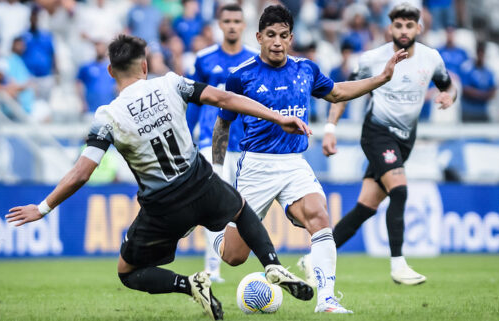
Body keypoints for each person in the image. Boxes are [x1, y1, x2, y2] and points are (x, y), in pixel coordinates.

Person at [5, 34, 313, 320]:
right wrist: (277, 116)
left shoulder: (108, 116)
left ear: (111, 72)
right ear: (144, 64)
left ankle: (189, 284)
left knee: (128, 272)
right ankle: (271, 263)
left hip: (163, 206)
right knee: (241, 209)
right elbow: (225, 99)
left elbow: (81, 173)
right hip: (201, 183)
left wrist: (42, 207)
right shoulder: (171, 83)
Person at [211, 5, 407, 314]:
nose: (277, 42)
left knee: (319, 214)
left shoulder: (307, 69)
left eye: (284, 36)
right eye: (271, 35)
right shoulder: (241, 77)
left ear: (291, 38)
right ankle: (216, 236)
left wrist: (381, 77)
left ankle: (327, 300)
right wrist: (217, 168)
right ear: (259, 37)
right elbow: (223, 123)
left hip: (294, 163)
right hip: (256, 167)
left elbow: (338, 93)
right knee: (233, 256)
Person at [305, 2, 456, 286]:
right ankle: (398, 265)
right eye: (398, 25)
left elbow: (448, 86)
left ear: (419, 28)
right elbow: (341, 94)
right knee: (399, 191)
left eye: (409, 25)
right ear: (390, 28)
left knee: (366, 207)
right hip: (377, 134)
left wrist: (450, 97)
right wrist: (329, 129)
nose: (403, 30)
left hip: (404, 142)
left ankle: (314, 260)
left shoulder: (431, 58)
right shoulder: (372, 59)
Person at [185, 3, 257, 283]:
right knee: (215, 203)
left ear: (243, 25)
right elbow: (193, 101)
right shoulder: (204, 59)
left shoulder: (253, 59)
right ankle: (212, 267)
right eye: (226, 20)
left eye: (236, 21)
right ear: (219, 23)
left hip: (245, 144)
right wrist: (185, 135)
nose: (231, 25)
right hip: (210, 141)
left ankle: (237, 256)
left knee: (242, 205)